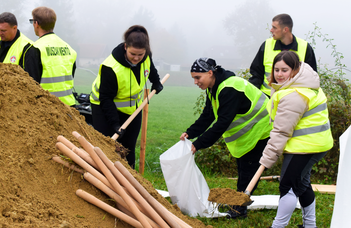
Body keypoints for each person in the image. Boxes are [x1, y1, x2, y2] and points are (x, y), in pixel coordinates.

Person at [180, 57, 271, 219]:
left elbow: (222, 123)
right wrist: (190, 133)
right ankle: (238, 203)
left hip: (263, 128)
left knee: (248, 170)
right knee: (244, 169)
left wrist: (198, 144)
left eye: (197, 77)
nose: (195, 82)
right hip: (250, 132)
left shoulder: (230, 88)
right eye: (193, 78)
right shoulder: (214, 87)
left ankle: (239, 210)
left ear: (209, 73)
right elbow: (208, 115)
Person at [259, 51, 333, 228]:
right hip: (313, 143)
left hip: (306, 146)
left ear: (295, 70)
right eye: (276, 69)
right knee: (302, 184)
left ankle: (278, 226)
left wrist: (267, 158)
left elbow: (281, 131)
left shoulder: (295, 94)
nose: (279, 74)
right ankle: (310, 226)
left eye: (285, 70)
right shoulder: (303, 84)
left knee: (288, 186)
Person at [89, 25, 163, 169]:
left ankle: (130, 180)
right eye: (132, 54)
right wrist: (115, 124)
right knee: (108, 147)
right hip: (104, 108)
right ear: (125, 47)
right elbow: (105, 98)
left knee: (128, 147)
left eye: (140, 55)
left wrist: (156, 81)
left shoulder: (146, 56)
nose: (136, 58)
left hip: (132, 108)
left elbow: (150, 69)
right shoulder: (110, 67)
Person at [249, 13, 317, 97]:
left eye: (274, 27)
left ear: (285, 30)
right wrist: (252, 95)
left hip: (294, 99)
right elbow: (256, 74)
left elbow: (311, 79)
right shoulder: (266, 45)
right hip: (266, 98)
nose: (271, 30)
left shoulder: (305, 47)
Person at [24, 6, 77, 107]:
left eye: (32, 22)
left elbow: (30, 84)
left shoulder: (35, 49)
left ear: (36, 24)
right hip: (69, 107)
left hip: (46, 109)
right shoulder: (69, 49)